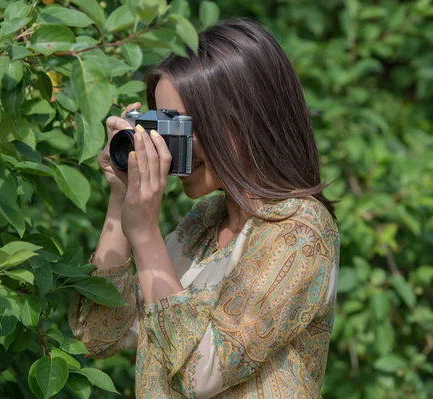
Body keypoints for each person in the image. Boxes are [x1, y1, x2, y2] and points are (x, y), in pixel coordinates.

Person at [68, 18, 340, 399]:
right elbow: (98, 332)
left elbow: (201, 374)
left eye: (185, 125)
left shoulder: (300, 229)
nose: (170, 146)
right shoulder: (203, 226)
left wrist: (144, 232)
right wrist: (120, 198)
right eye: (162, 125)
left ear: (248, 117)